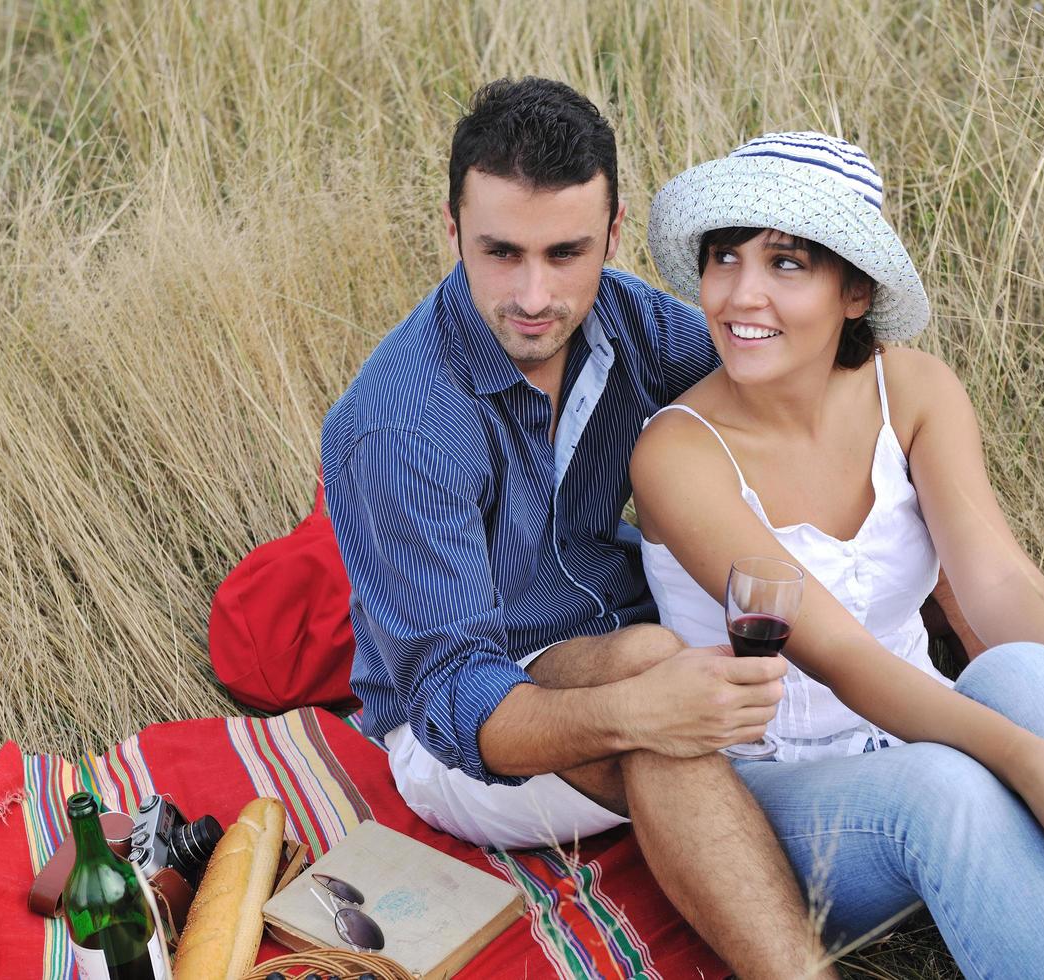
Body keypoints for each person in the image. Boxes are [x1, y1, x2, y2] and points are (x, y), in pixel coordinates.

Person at [322, 78, 839, 977]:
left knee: (705, 649)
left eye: (565, 252)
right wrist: (635, 710)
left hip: (631, 638)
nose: (533, 294)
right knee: (656, 682)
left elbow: (805, 395)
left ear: (613, 232)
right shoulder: (395, 424)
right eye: (500, 253)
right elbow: (451, 702)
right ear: (452, 233)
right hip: (466, 729)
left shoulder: (630, 324)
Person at [636, 131, 1044, 976]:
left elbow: (994, 574)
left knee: (1036, 678)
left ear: (856, 290)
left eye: (787, 264)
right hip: (785, 795)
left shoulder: (916, 389)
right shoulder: (679, 454)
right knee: (946, 789)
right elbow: (841, 656)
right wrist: (1032, 764)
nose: (741, 293)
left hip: (927, 731)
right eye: (725, 257)